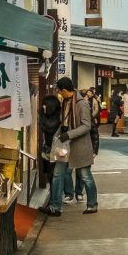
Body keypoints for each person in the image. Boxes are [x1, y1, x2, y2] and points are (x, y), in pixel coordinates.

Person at [41, 77, 98, 216]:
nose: (60, 94)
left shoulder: (81, 104)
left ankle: (92, 204)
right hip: (64, 145)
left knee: (85, 176)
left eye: (60, 91)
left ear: (65, 90)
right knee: (58, 174)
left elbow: (86, 126)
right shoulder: (66, 102)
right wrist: (58, 136)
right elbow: (64, 123)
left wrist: (69, 134)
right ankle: (55, 206)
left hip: (79, 145)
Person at [38, 92, 62, 188]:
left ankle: (55, 198)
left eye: (45, 105)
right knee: (50, 175)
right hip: (48, 150)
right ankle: (53, 197)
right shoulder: (44, 116)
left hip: (59, 150)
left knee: (55, 175)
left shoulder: (60, 117)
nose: (43, 107)